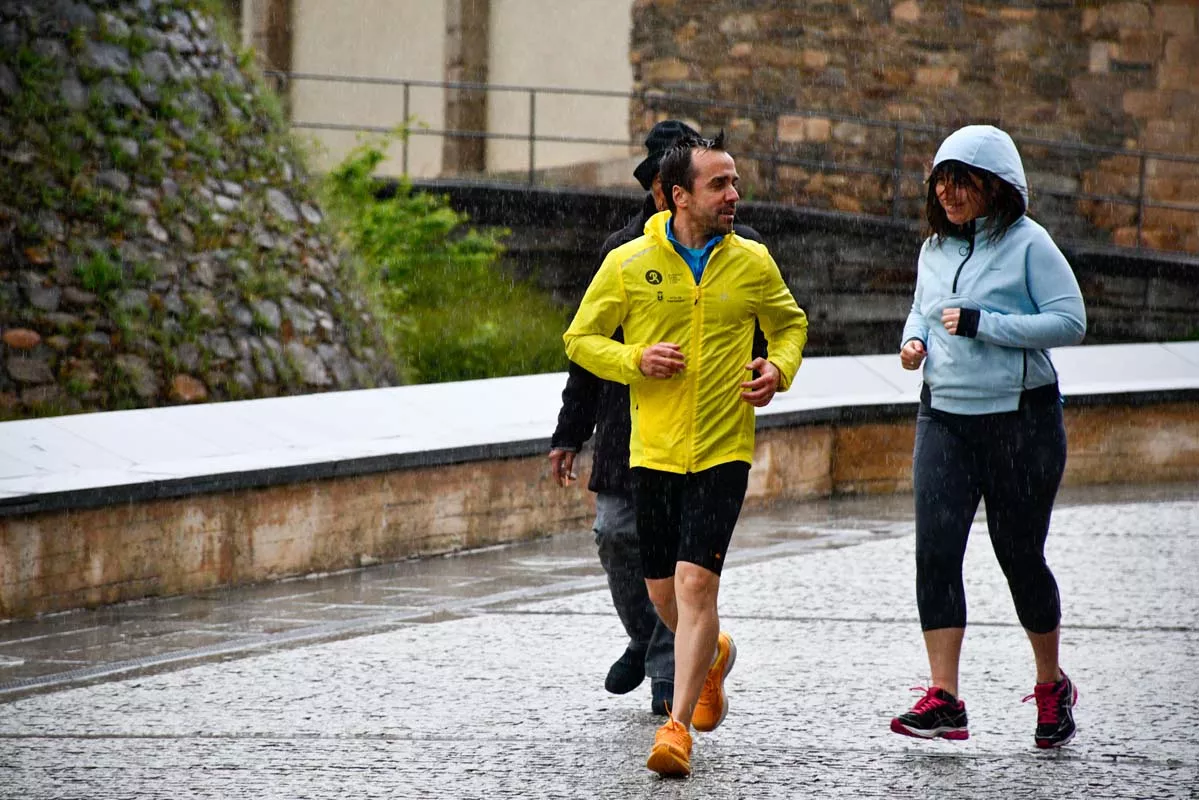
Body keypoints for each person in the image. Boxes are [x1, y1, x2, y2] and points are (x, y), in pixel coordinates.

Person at [563, 132, 808, 777]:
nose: (735, 194)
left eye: (734, 182)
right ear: (679, 196)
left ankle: (675, 728)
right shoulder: (627, 263)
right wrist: (634, 359)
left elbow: (791, 325)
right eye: (720, 185)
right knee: (666, 598)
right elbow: (580, 339)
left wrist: (776, 370)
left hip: (725, 447)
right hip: (653, 450)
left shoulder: (752, 260)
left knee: (698, 585)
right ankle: (716, 651)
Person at [891, 125, 1087, 749]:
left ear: (997, 186)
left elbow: (1070, 321)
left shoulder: (1031, 244)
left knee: (1017, 555)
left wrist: (987, 324)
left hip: (1020, 421)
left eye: (962, 181)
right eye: (941, 182)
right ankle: (945, 698)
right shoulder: (933, 249)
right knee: (936, 554)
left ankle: (1051, 684)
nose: (948, 193)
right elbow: (924, 307)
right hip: (943, 415)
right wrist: (913, 341)